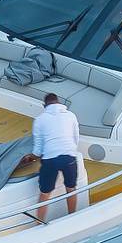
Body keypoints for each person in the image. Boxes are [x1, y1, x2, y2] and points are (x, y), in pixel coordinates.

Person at [30, 93, 81, 223]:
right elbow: (76, 139)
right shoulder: (71, 115)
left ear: (44, 105)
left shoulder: (40, 119)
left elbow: (38, 149)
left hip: (50, 160)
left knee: (45, 193)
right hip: (69, 156)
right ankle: (72, 217)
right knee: (71, 189)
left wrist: (30, 158)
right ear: (58, 102)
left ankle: (39, 223)